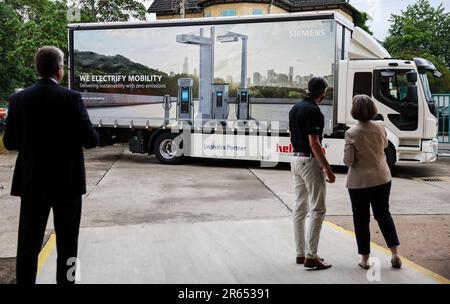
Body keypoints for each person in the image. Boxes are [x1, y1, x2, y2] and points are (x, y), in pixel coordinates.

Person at [3, 46, 99, 284]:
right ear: (59, 70)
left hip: (32, 183)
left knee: (28, 244)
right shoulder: (72, 99)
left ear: (38, 68)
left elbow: (10, 142)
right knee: (68, 246)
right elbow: (91, 140)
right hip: (67, 185)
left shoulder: (18, 99)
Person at [343, 94, 401, 269]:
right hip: (382, 178)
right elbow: (383, 146)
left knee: (361, 220)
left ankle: (365, 260)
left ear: (354, 111)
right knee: (383, 215)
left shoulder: (351, 133)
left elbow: (348, 161)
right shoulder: (380, 126)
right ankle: (395, 254)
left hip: (359, 183)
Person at [289, 76, 336, 270]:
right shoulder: (314, 111)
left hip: (295, 160)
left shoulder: (295, 108)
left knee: (300, 208)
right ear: (323, 92)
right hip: (309, 161)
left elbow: (292, 136)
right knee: (318, 209)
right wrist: (328, 168)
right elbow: (314, 143)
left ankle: (301, 254)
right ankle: (311, 256)